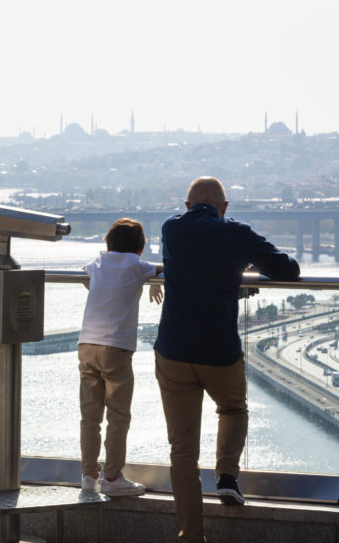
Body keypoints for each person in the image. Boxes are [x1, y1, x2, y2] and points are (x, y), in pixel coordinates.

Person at [154, 176, 300, 543]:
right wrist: (241, 263)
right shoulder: (235, 233)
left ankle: (191, 535)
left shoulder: (171, 229)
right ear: (224, 207)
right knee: (233, 409)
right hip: (219, 351)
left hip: (173, 351)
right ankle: (227, 477)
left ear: (186, 207)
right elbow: (287, 269)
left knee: (182, 452)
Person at [78, 217, 163, 496]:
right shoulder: (136, 266)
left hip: (87, 345)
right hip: (116, 348)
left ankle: (89, 475)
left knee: (90, 416)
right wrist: (153, 280)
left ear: (108, 242)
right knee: (118, 415)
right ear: (140, 249)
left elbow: (84, 272)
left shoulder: (98, 263)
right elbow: (167, 269)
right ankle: (113, 478)